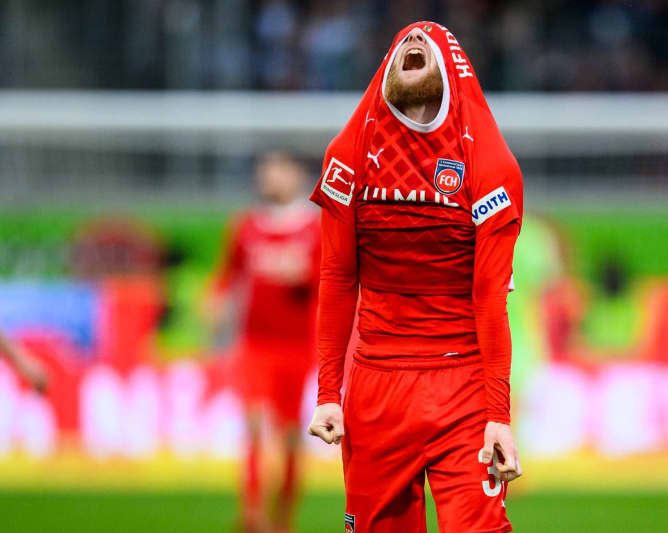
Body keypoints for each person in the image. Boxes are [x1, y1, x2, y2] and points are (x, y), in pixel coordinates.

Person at [306, 22, 523, 533]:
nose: (413, 41)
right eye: (403, 40)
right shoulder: (349, 155)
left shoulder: (489, 166)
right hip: (375, 388)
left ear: (451, 69)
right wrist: (327, 393)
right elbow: (337, 278)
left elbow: (490, 299)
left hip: (463, 388)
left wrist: (498, 415)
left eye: (426, 41)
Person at [209, 152, 320, 533]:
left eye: (277, 171)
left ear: (296, 175)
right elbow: (227, 275)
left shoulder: (316, 228)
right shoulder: (245, 226)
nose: (269, 178)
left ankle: (282, 519)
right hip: (255, 344)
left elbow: (334, 284)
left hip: (297, 347)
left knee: (290, 436)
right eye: (264, 171)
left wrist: (303, 275)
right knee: (254, 423)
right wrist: (218, 302)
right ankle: (252, 516)